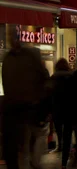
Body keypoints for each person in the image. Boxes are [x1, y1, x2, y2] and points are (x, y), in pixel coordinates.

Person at [2, 30, 51, 169]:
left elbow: (44, 80)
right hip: (14, 108)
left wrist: (38, 100)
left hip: (27, 108)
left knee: (24, 145)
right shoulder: (9, 58)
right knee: (14, 147)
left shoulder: (27, 56)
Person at [50, 58, 71, 158]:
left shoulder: (54, 77)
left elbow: (49, 92)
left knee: (58, 129)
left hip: (57, 107)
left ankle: (60, 146)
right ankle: (68, 147)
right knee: (68, 129)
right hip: (69, 107)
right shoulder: (71, 76)